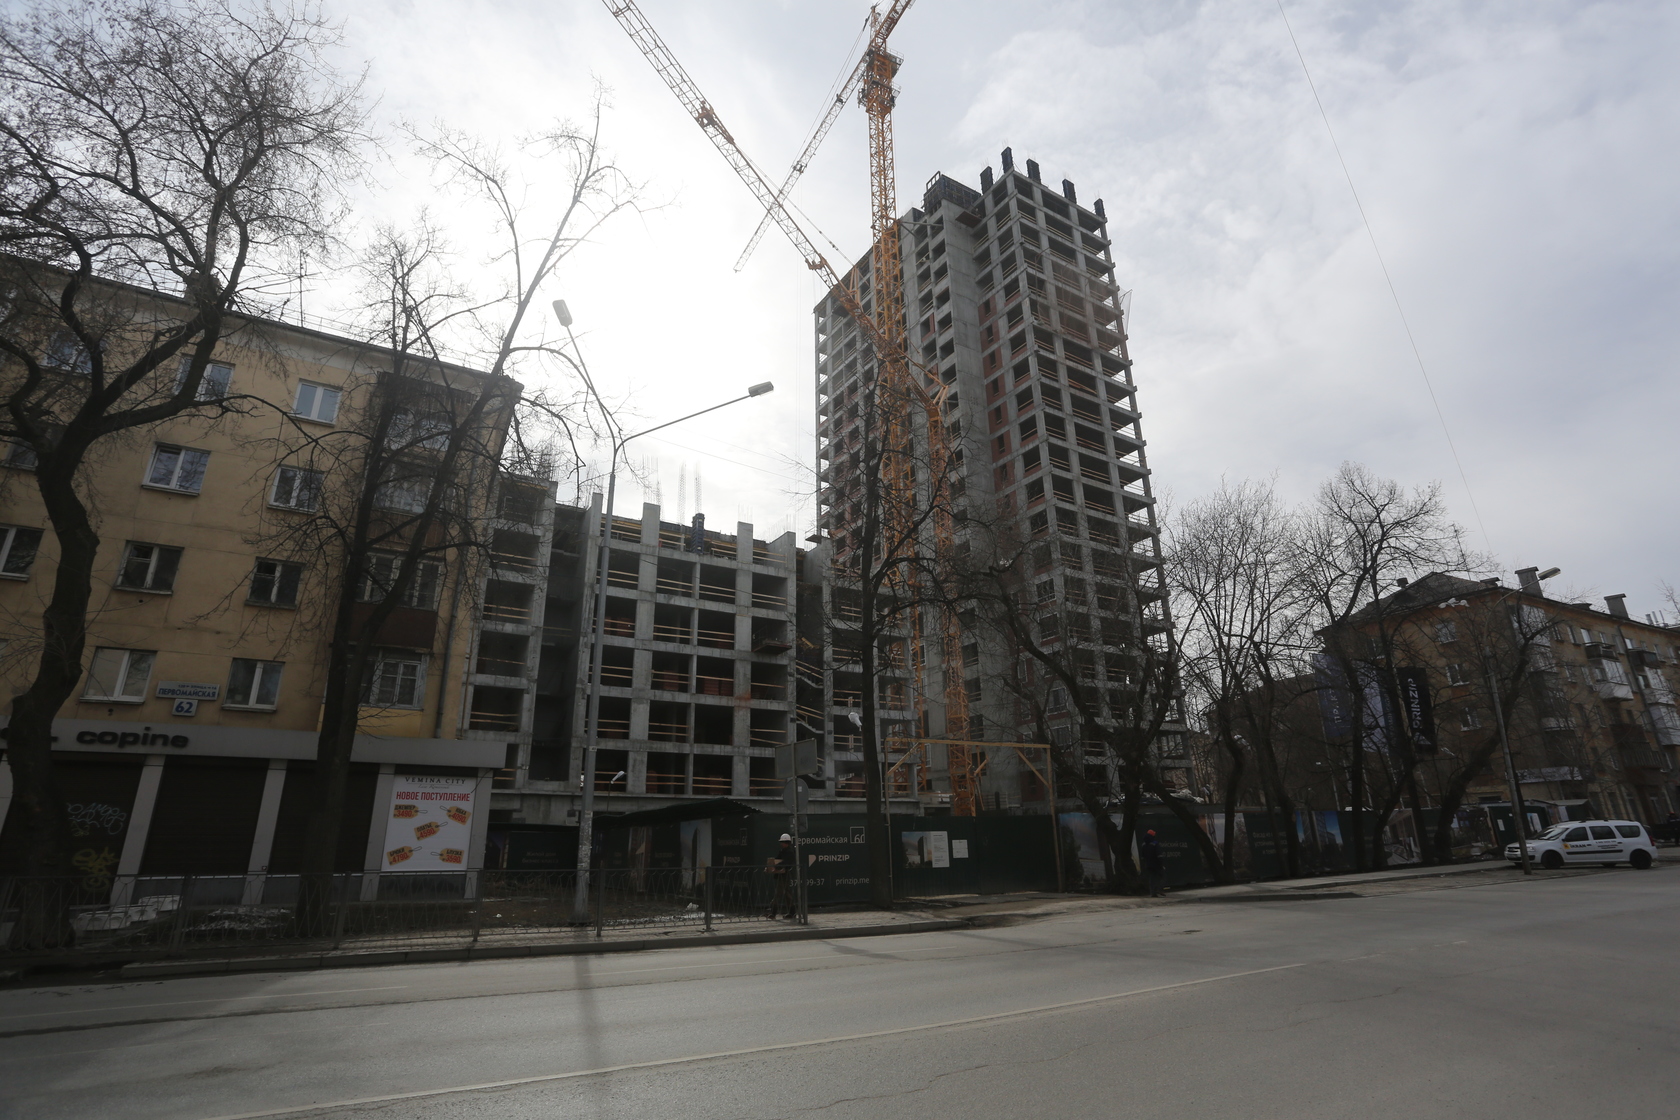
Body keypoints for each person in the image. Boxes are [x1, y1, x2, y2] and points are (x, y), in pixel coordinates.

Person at [767, 833, 796, 919]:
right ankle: (792, 912)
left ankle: (773, 912)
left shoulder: (789, 852)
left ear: (787, 843)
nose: (781, 844)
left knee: (778, 893)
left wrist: (775, 867)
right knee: (787, 894)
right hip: (782, 874)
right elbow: (777, 859)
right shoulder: (783, 851)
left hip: (785, 875)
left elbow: (785, 863)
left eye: (782, 842)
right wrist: (770, 866)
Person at [1139, 829, 1166, 897]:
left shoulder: (1143, 845)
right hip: (1157, 864)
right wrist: (1162, 864)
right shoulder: (1155, 844)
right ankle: (1159, 889)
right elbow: (1159, 855)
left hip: (1148, 864)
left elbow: (1142, 856)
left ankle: (1153, 893)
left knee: (1152, 878)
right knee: (1161, 876)